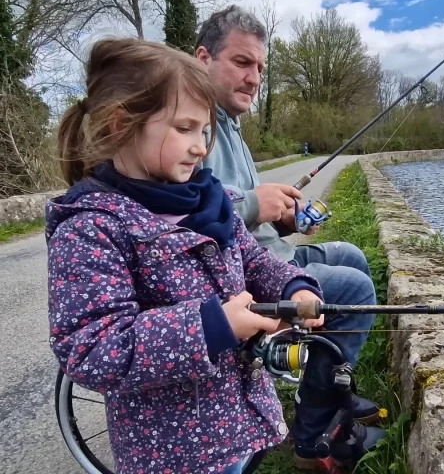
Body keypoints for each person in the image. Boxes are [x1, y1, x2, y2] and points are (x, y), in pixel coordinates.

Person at [45, 37, 326, 474]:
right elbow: (91, 347)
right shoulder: (90, 227)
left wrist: (293, 285)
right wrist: (212, 326)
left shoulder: (205, 198)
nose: (200, 147)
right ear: (121, 125)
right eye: (184, 129)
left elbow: (249, 259)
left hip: (237, 423)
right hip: (175, 454)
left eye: (205, 131)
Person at [194, 5, 385, 469]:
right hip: (243, 274)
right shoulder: (190, 124)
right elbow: (189, 211)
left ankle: (322, 382)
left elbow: (245, 214)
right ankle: (313, 438)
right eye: (241, 62)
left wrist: (286, 221)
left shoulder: (232, 126)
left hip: (268, 252)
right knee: (356, 290)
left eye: (260, 66)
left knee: (351, 256)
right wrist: (258, 205)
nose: (254, 77)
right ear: (202, 59)